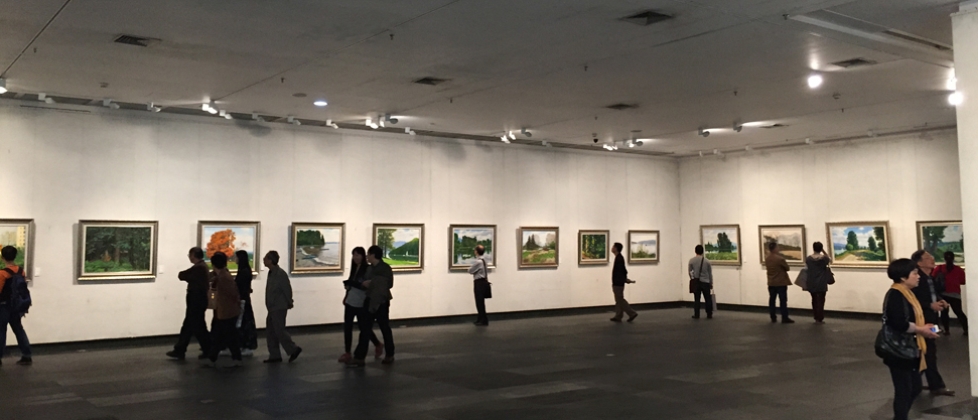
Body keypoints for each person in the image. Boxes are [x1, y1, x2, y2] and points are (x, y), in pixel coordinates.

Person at [881, 258, 938, 420]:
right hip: (899, 349)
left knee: (914, 387)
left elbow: (912, 318)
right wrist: (921, 329)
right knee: (905, 390)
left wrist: (924, 328)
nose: (918, 276)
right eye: (914, 273)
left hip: (910, 347)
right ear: (903, 277)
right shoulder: (896, 295)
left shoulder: (907, 294)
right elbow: (898, 323)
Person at [910, 250, 954, 396]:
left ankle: (920, 383)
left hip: (932, 320)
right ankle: (935, 385)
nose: (932, 259)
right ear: (919, 262)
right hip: (922, 321)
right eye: (928, 257)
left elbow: (933, 294)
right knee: (927, 351)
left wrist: (941, 300)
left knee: (930, 349)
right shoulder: (917, 279)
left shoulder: (930, 277)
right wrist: (930, 305)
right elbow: (913, 300)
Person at [349, 245, 395, 367]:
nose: (367, 257)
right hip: (369, 300)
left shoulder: (384, 268)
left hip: (381, 301)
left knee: (384, 328)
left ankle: (389, 354)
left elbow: (388, 284)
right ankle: (359, 356)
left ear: (373, 255)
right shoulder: (370, 268)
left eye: (368, 254)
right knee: (365, 329)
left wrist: (372, 283)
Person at [338, 247, 383, 363]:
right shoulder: (354, 269)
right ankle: (347, 352)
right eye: (354, 255)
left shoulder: (367, 269)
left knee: (364, 327)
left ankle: (377, 344)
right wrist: (347, 293)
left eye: (357, 255)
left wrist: (354, 284)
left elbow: (366, 286)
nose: (355, 257)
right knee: (348, 326)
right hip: (351, 301)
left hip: (361, 302)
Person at [167, 247, 212, 360]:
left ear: (193, 255)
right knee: (191, 325)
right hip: (198, 300)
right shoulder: (202, 267)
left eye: (190, 255)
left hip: (196, 301)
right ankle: (180, 349)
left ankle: (208, 349)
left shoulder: (199, 268)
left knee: (197, 326)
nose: (189, 257)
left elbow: (182, 275)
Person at [204, 252, 243, 368]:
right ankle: (214, 357)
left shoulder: (223, 278)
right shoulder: (223, 276)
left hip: (226, 312)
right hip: (224, 311)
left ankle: (235, 358)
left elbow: (232, 295)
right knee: (221, 335)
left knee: (227, 336)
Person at [264, 250, 302, 363]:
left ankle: (293, 349)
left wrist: (289, 302)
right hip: (272, 307)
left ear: (271, 260)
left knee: (279, 330)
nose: (264, 260)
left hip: (278, 306)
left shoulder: (280, 274)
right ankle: (275, 355)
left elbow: (287, 289)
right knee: (271, 331)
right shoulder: (271, 273)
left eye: (266, 258)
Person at [0, 246, 32, 366]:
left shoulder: (2, 273)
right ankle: (27, 355)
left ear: (2, 257)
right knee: (18, 329)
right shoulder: (21, 271)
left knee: (1, 331)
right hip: (16, 306)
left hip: (3, 306)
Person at [933, 251, 967, 336]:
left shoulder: (939, 268)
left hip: (942, 294)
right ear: (953, 258)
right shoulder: (958, 269)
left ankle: (946, 330)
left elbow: (933, 277)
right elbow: (963, 281)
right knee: (959, 312)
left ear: (944, 258)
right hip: (955, 294)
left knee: (944, 313)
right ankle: (966, 329)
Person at [234, 250, 258, 356]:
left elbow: (240, 286)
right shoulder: (245, 270)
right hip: (244, 299)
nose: (235, 259)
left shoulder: (243, 272)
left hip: (243, 300)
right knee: (244, 323)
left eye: (237, 257)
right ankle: (244, 345)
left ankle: (246, 345)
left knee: (244, 323)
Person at [765, 242, 794, 324]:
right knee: (783, 300)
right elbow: (787, 268)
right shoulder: (780, 259)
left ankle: (773, 316)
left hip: (771, 282)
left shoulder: (767, 258)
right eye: (777, 247)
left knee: (772, 300)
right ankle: (784, 317)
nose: (778, 249)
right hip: (781, 282)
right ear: (774, 248)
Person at [609, 242, 638, 323]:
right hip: (618, 282)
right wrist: (625, 279)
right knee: (618, 300)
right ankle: (618, 316)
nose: (612, 248)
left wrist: (624, 279)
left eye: (613, 246)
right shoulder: (619, 257)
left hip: (618, 283)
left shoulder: (619, 258)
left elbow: (622, 271)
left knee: (620, 299)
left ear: (616, 248)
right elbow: (624, 271)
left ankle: (632, 313)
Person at [805, 242, 832, 324]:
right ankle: (820, 317)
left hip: (811, 281)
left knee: (814, 300)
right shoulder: (824, 259)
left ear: (813, 248)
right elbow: (829, 259)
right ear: (821, 248)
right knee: (821, 300)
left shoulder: (808, 259)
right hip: (821, 281)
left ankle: (816, 316)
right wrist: (823, 251)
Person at [688, 245, 713, 319]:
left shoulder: (691, 261)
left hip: (697, 282)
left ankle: (697, 314)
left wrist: (693, 279)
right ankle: (709, 313)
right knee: (707, 298)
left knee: (697, 299)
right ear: (702, 251)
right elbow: (710, 273)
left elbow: (690, 272)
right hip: (706, 282)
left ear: (695, 251)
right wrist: (711, 282)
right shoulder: (707, 261)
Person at [469, 245, 491, 326]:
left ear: (476, 252)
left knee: (479, 302)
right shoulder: (484, 260)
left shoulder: (478, 262)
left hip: (479, 283)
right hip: (483, 282)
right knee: (481, 302)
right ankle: (481, 318)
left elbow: (470, 271)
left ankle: (483, 320)